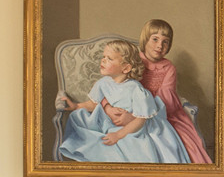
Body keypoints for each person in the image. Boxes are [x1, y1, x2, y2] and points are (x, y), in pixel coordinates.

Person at [54, 39, 189, 164]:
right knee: (78, 116)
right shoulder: (102, 83)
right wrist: (76, 106)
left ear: (126, 68)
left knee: (127, 143)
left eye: (109, 59)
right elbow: (93, 104)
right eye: (104, 57)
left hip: (130, 127)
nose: (103, 61)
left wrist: (119, 135)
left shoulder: (135, 89)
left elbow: (140, 121)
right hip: (108, 122)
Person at [135, 19, 210, 163]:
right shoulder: (134, 61)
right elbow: (125, 86)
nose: (160, 45)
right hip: (134, 110)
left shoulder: (169, 68)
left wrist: (149, 110)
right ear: (145, 40)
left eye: (165, 42)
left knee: (183, 142)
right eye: (155, 39)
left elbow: (166, 99)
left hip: (163, 112)